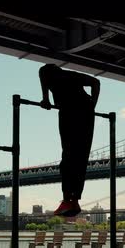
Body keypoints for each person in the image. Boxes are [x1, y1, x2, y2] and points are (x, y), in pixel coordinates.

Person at [39, 64, 100, 217]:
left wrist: (45, 100)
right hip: (86, 113)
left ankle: (68, 200)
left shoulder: (58, 76)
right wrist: (92, 104)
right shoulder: (67, 75)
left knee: (68, 158)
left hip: (69, 112)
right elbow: (96, 82)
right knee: (80, 157)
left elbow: (45, 91)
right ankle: (73, 200)